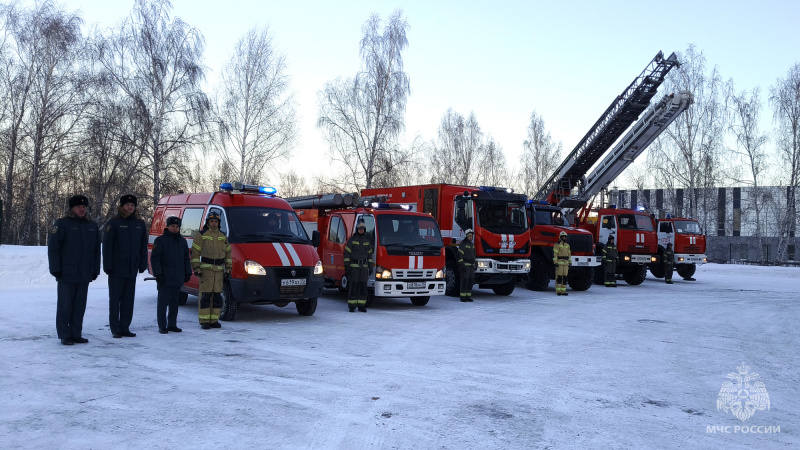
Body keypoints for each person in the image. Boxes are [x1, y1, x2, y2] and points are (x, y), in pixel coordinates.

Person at [48, 195, 101, 346]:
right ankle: (65, 334)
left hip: (84, 273)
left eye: (84, 207)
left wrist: (95, 269)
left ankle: (76, 333)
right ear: (72, 208)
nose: (82, 209)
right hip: (66, 272)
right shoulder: (63, 224)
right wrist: (55, 269)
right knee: (65, 305)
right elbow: (53, 248)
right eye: (79, 207)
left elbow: (96, 250)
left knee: (79, 305)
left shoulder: (92, 226)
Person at [103, 194, 148, 338]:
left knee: (128, 300)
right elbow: (107, 247)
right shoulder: (114, 223)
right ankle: (115, 328)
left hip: (131, 268)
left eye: (132, 205)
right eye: (127, 205)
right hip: (117, 268)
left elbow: (142, 246)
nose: (130, 207)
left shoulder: (139, 224)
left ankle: (125, 327)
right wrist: (108, 265)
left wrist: (142, 263)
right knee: (115, 300)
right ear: (122, 206)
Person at [151, 216, 192, 334]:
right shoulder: (160, 241)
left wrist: (187, 272)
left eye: (177, 227)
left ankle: (172, 324)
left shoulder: (182, 241)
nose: (174, 228)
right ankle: (162, 325)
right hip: (164, 277)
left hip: (177, 276)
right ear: (167, 227)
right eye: (172, 226)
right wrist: (158, 273)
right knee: (163, 302)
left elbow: (186, 258)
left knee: (174, 302)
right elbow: (155, 259)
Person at [191, 211, 232, 328]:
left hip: (219, 272)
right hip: (206, 271)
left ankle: (214, 320)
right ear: (208, 222)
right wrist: (196, 268)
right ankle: (204, 321)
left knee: (217, 297)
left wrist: (228, 268)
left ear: (219, 223)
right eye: (211, 221)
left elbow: (228, 254)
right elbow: (195, 253)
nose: (214, 223)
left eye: (216, 221)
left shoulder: (223, 236)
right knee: (205, 296)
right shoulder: (201, 234)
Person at [343, 221, 373, 312]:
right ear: (357, 229)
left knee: (363, 286)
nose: (361, 231)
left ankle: (361, 305)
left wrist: (370, 266)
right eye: (360, 229)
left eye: (362, 229)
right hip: (354, 267)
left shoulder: (367, 241)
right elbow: (347, 253)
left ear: (364, 230)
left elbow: (369, 256)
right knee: (354, 286)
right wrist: (347, 266)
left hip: (363, 267)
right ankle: (352, 306)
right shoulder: (352, 240)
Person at [458, 229, 476, 302]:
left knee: (470, 281)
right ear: (466, 236)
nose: (471, 238)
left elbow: (474, 255)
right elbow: (460, 255)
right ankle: (463, 297)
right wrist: (462, 265)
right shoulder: (463, 244)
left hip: (471, 266)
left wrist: (475, 264)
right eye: (469, 236)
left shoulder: (472, 245)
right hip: (465, 266)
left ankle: (468, 296)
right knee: (465, 281)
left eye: (471, 236)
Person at [553, 231, 571, 296]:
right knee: (559, 277)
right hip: (560, 263)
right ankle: (558, 291)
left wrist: (570, 262)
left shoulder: (567, 245)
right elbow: (555, 254)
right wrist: (555, 262)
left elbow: (569, 254)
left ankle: (563, 291)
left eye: (565, 237)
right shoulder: (557, 245)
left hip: (566, 263)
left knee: (565, 278)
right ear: (560, 237)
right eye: (563, 237)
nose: (564, 238)